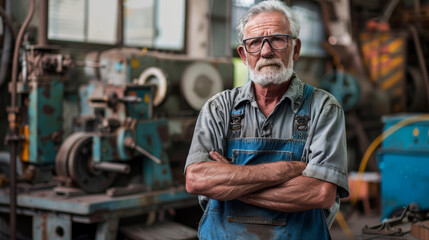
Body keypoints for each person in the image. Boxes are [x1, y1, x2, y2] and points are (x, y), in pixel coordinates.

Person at [184, 0, 349, 239]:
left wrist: (230, 185)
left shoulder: (324, 108)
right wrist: (286, 170)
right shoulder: (219, 108)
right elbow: (197, 179)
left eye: (278, 39)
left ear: (296, 48)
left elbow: (320, 192)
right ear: (243, 53)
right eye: (254, 43)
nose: (266, 51)